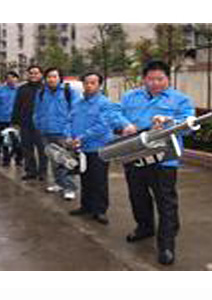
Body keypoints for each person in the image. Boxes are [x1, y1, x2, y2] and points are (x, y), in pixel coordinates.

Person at [120, 59, 196, 266]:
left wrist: (169, 122)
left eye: (160, 79)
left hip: (164, 159)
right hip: (135, 154)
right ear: (144, 79)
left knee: (165, 202)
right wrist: (124, 124)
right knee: (138, 195)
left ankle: (166, 245)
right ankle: (144, 228)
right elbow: (115, 114)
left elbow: (189, 126)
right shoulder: (130, 97)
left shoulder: (180, 100)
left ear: (168, 79)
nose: (155, 83)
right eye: (151, 79)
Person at [69, 72, 133, 224]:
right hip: (81, 148)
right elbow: (69, 120)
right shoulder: (77, 102)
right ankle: (86, 206)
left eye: (93, 83)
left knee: (99, 180)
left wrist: (81, 138)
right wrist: (69, 137)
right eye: (86, 83)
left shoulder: (105, 104)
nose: (89, 86)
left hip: (98, 147)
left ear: (99, 85)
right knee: (85, 178)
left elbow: (102, 126)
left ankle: (100, 210)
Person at [33, 67, 80, 200]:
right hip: (46, 131)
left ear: (60, 78)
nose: (51, 79)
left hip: (63, 133)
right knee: (54, 159)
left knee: (66, 160)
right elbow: (37, 111)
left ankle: (70, 187)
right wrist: (38, 125)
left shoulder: (69, 92)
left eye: (54, 76)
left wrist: (70, 131)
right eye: (49, 77)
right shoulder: (41, 93)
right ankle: (59, 183)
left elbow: (75, 112)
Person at [12, 65, 47, 181]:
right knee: (27, 148)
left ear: (41, 75)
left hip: (41, 125)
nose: (33, 75)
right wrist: (15, 121)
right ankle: (30, 171)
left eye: (36, 73)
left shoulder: (45, 89)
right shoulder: (22, 89)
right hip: (25, 123)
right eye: (31, 73)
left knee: (42, 149)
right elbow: (17, 105)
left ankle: (42, 172)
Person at [0, 71, 23, 167]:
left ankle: (19, 159)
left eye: (13, 77)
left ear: (17, 79)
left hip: (16, 121)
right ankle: (6, 159)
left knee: (17, 141)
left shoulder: (20, 91)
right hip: (2, 120)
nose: (11, 80)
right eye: (9, 78)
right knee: (4, 142)